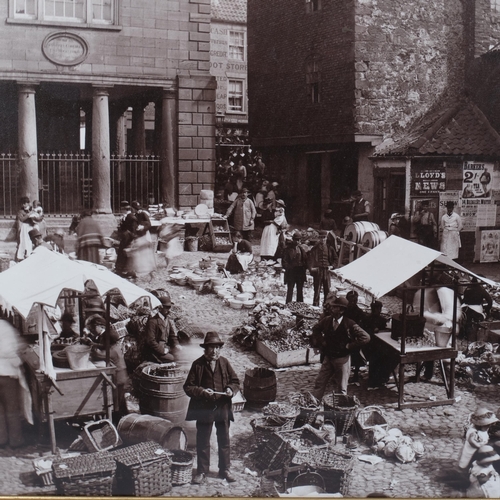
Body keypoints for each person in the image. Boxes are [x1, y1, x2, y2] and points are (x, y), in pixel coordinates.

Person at [183, 331, 240, 485]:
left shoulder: (224, 363)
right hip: (204, 408)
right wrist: (201, 392)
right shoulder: (198, 365)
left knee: (224, 439)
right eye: (211, 348)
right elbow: (188, 387)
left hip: (222, 407)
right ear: (205, 349)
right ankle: (202, 471)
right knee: (203, 440)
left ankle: (225, 469)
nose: (215, 351)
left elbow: (235, 381)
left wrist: (230, 389)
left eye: (217, 348)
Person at [310, 297, 370, 398]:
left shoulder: (349, 324)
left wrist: (350, 346)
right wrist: (322, 341)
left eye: (335, 307)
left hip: (342, 360)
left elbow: (365, 337)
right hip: (328, 358)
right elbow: (316, 329)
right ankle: (314, 404)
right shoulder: (327, 320)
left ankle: (339, 411)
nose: (331, 309)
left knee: (341, 388)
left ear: (341, 310)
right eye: (332, 306)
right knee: (319, 383)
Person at [0, 320, 33, 448]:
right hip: (7, 372)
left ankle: (1, 439)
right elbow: (13, 348)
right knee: (12, 409)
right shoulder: (5, 326)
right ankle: (16, 440)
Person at [142, 295, 181, 363]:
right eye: (167, 307)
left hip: (165, 347)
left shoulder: (167, 320)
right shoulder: (152, 321)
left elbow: (172, 335)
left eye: (169, 307)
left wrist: (176, 344)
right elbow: (150, 341)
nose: (169, 310)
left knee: (180, 356)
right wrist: (162, 351)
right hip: (154, 351)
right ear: (160, 307)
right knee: (171, 358)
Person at [307, 230, 335, 307]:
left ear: (326, 238)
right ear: (319, 238)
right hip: (318, 270)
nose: (322, 239)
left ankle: (326, 305)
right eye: (321, 238)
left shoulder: (330, 248)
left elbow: (336, 259)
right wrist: (311, 268)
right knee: (317, 289)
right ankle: (315, 304)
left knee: (327, 289)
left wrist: (332, 266)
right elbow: (310, 259)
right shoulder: (314, 249)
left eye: (324, 237)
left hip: (326, 270)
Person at [345, 290, 368, 383]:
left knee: (356, 354)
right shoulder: (344, 310)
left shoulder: (358, 311)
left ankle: (355, 374)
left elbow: (364, 321)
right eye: (351, 301)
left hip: (355, 336)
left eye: (355, 301)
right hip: (345, 335)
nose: (353, 303)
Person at [282, 232, 308, 303]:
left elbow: (305, 260)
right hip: (291, 272)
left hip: (300, 272)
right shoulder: (287, 250)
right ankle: (288, 304)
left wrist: (305, 267)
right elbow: (284, 262)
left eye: (299, 240)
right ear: (293, 240)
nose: (297, 241)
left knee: (300, 290)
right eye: (296, 240)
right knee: (290, 290)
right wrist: (289, 268)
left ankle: (300, 305)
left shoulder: (301, 249)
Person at [15, 197, 39, 261]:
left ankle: (29, 254)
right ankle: (21, 256)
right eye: (23, 204)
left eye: (26, 203)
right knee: (24, 241)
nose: (24, 205)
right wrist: (29, 214)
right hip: (25, 227)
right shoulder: (20, 211)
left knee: (30, 241)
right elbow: (22, 219)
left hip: (31, 227)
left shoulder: (31, 209)